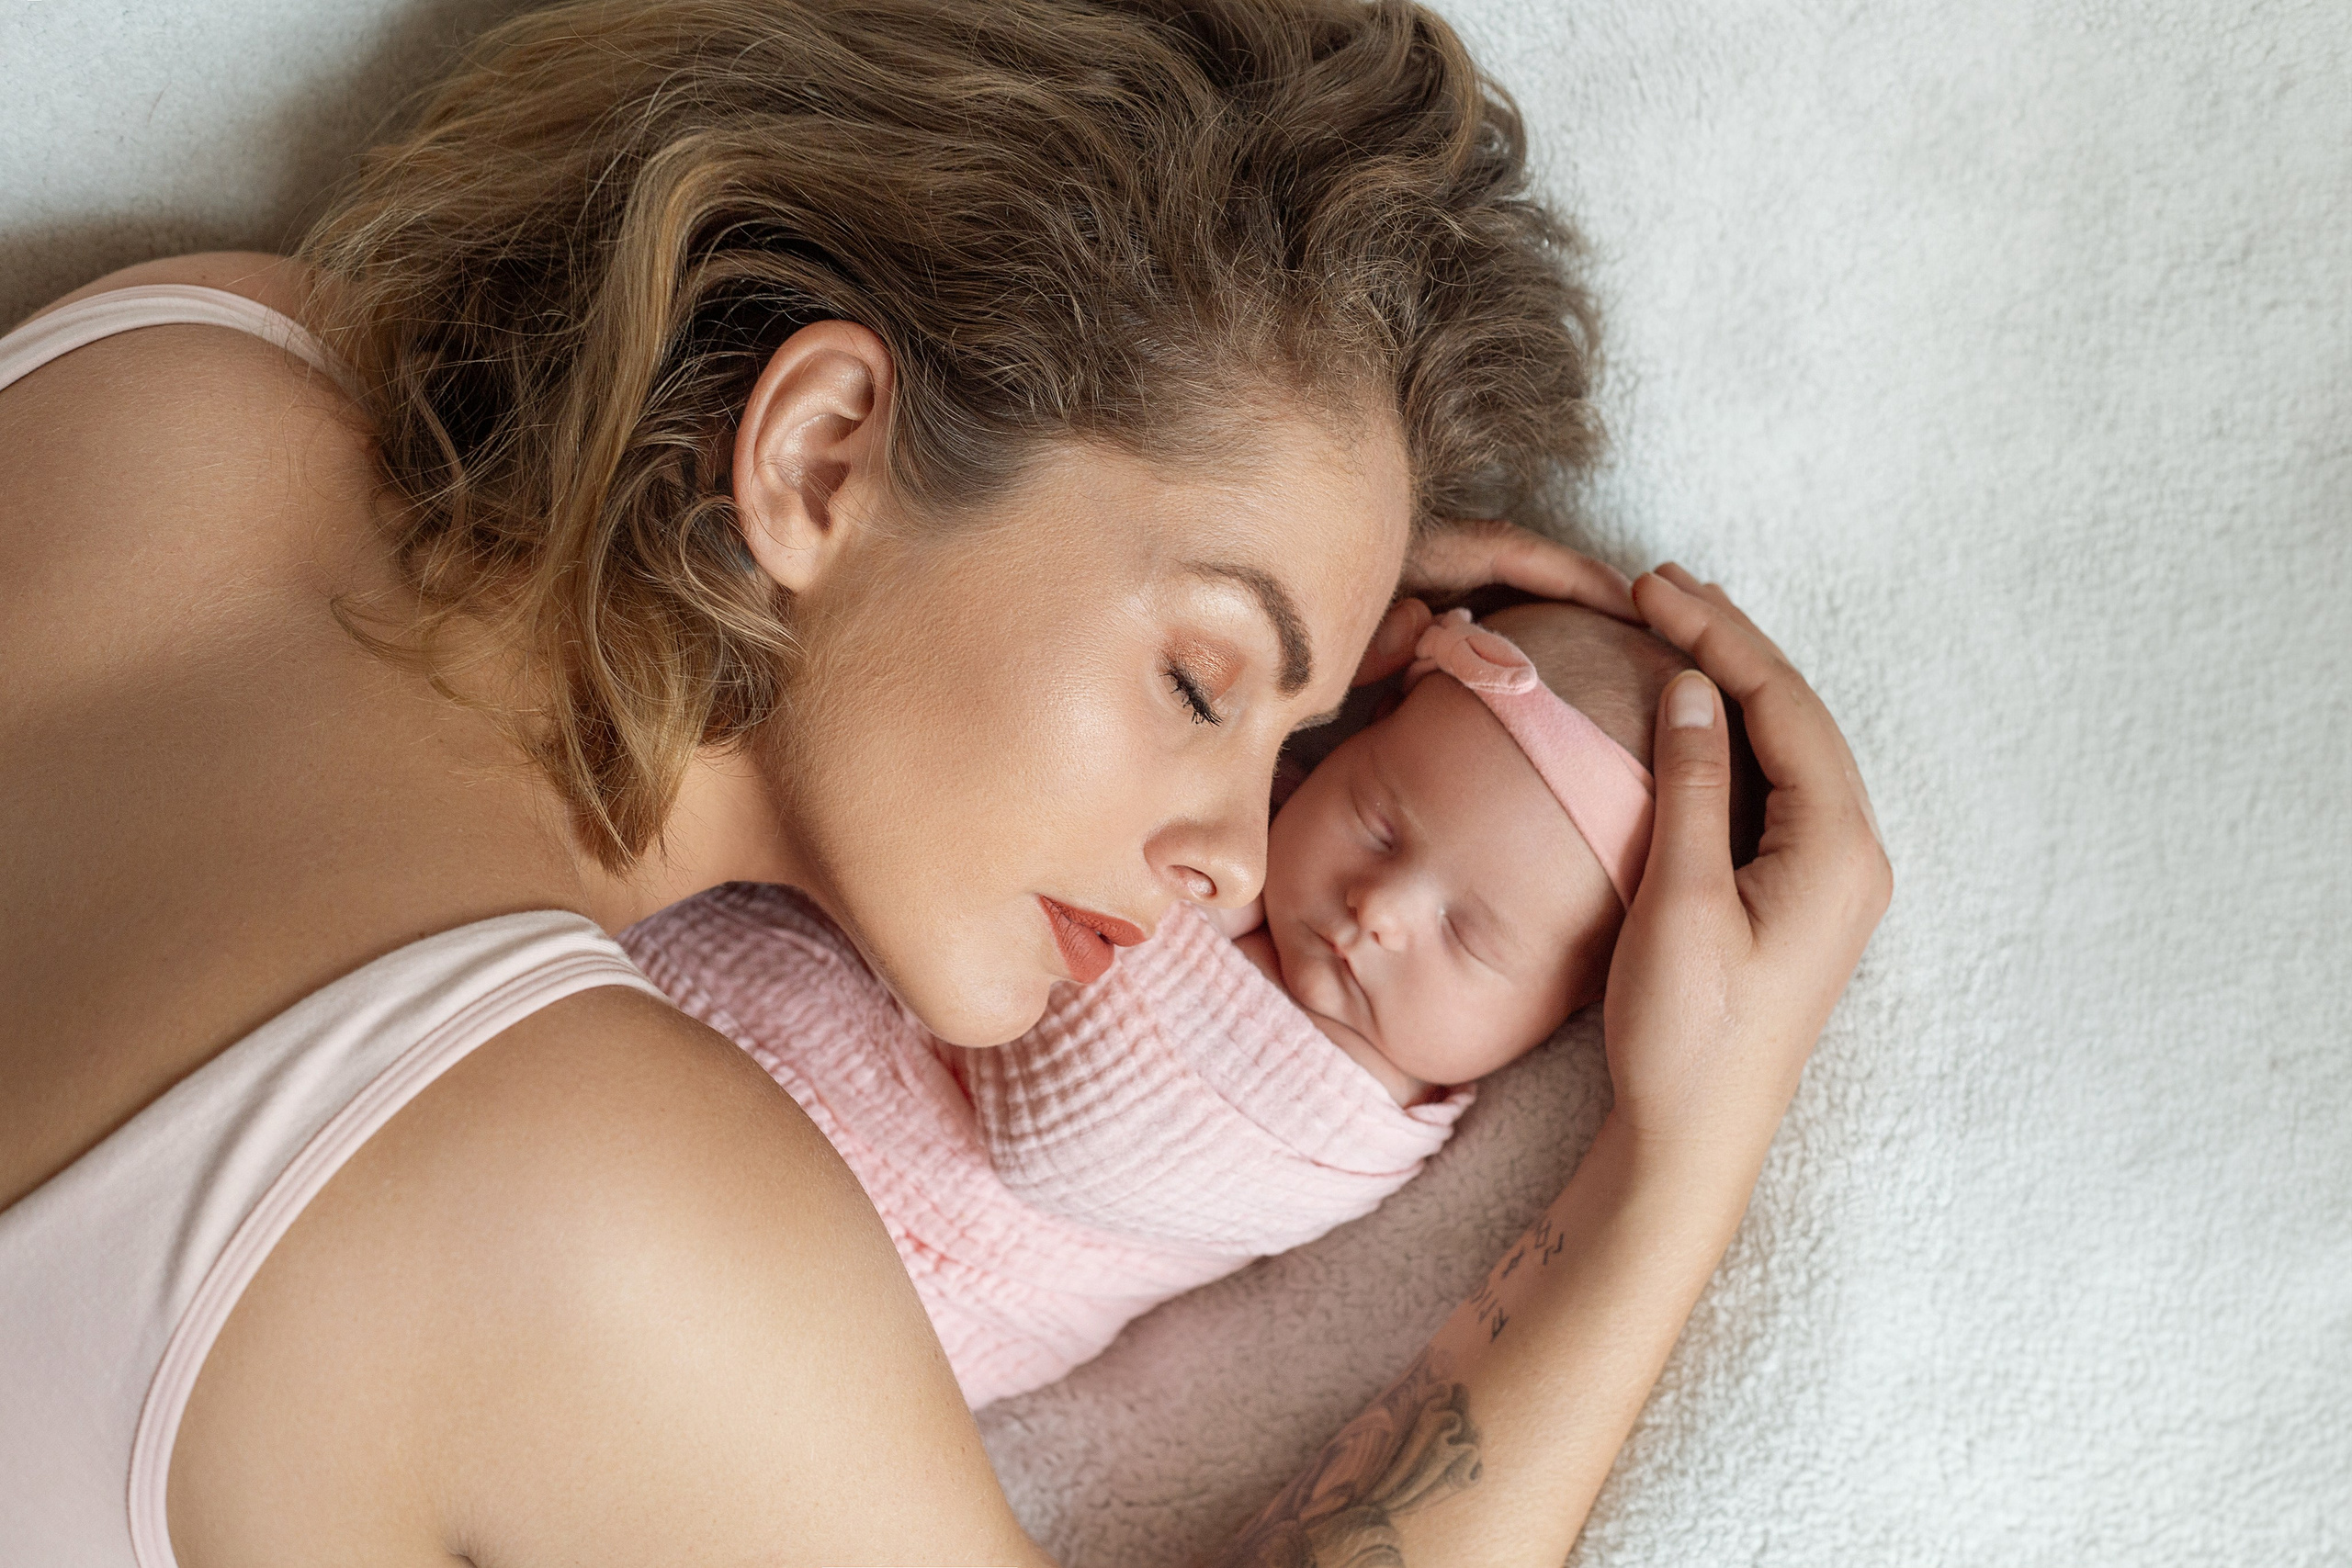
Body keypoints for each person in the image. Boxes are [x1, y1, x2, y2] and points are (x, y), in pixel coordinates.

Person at [0, 2, 1890, 1564]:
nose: (1233, 861)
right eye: (1195, 676)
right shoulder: (616, 1213)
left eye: (1294, 742)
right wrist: (1682, 1155)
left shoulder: (183, 377)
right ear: (822, 454)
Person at [624, 598, 1768, 1409]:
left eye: (1469, 935)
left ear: (1567, 1012)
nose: (1378, 908)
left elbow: (1064, 1134)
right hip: (677, 1031)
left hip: (827, 1302)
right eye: (1375, 816)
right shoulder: (1247, 838)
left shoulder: (1342, 1118)